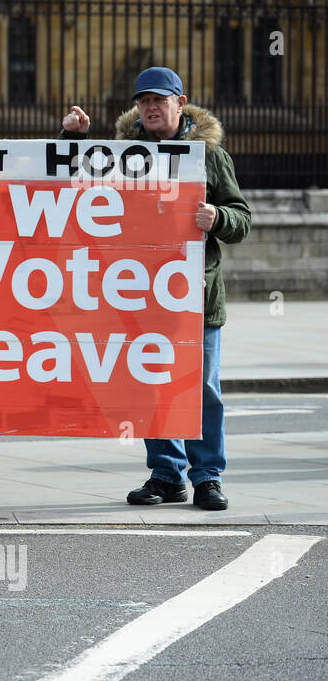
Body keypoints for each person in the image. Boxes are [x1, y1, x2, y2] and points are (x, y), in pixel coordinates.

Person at [61, 67, 250, 511]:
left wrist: (218, 218)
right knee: (152, 387)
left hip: (196, 299)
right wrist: (72, 139)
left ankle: (206, 477)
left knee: (203, 390)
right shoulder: (123, 154)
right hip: (141, 296)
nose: (150, 107)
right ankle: (166, 475)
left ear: (180, 104)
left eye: (159, 100)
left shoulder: (208, 156)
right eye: (144, 100)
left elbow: (241, 218)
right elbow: (68, 187)